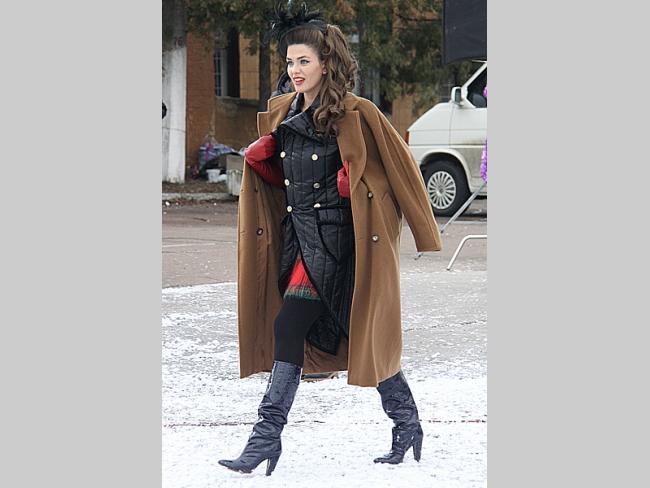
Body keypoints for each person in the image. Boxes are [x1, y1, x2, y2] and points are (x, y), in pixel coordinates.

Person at [218, 4, 442, 476]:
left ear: (327, 62)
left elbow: (399, 171)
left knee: (290, 326)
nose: (295, 71)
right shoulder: (283, 111)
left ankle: (265, 438)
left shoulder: (358, 113)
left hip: (343, 244)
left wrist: (356, 187)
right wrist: (263, 162)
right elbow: (287, 183)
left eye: (304, 61)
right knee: (357, 333)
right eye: (290, 62)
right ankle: (407, 423)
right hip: (298, 238)